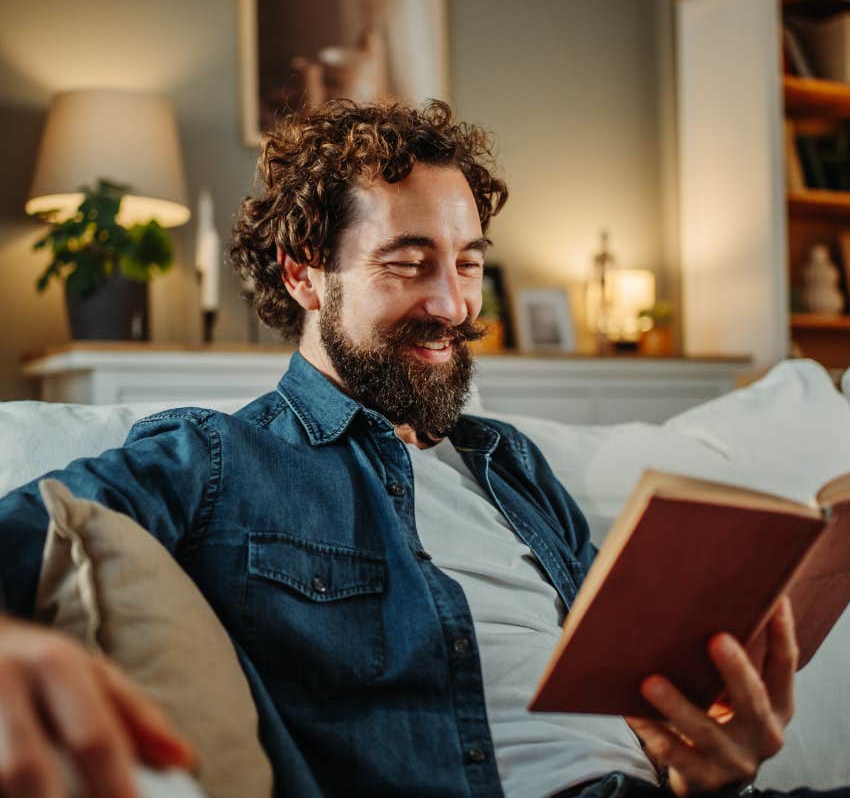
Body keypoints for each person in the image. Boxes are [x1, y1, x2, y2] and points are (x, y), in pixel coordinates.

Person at [0, 99, 830, 798]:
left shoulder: (512, 467)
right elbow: (27, 535)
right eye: (408, 263)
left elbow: (627, 711)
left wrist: (709, 768)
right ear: (303, 275)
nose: (452, 304)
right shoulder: (216, 458)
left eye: (467, 264)